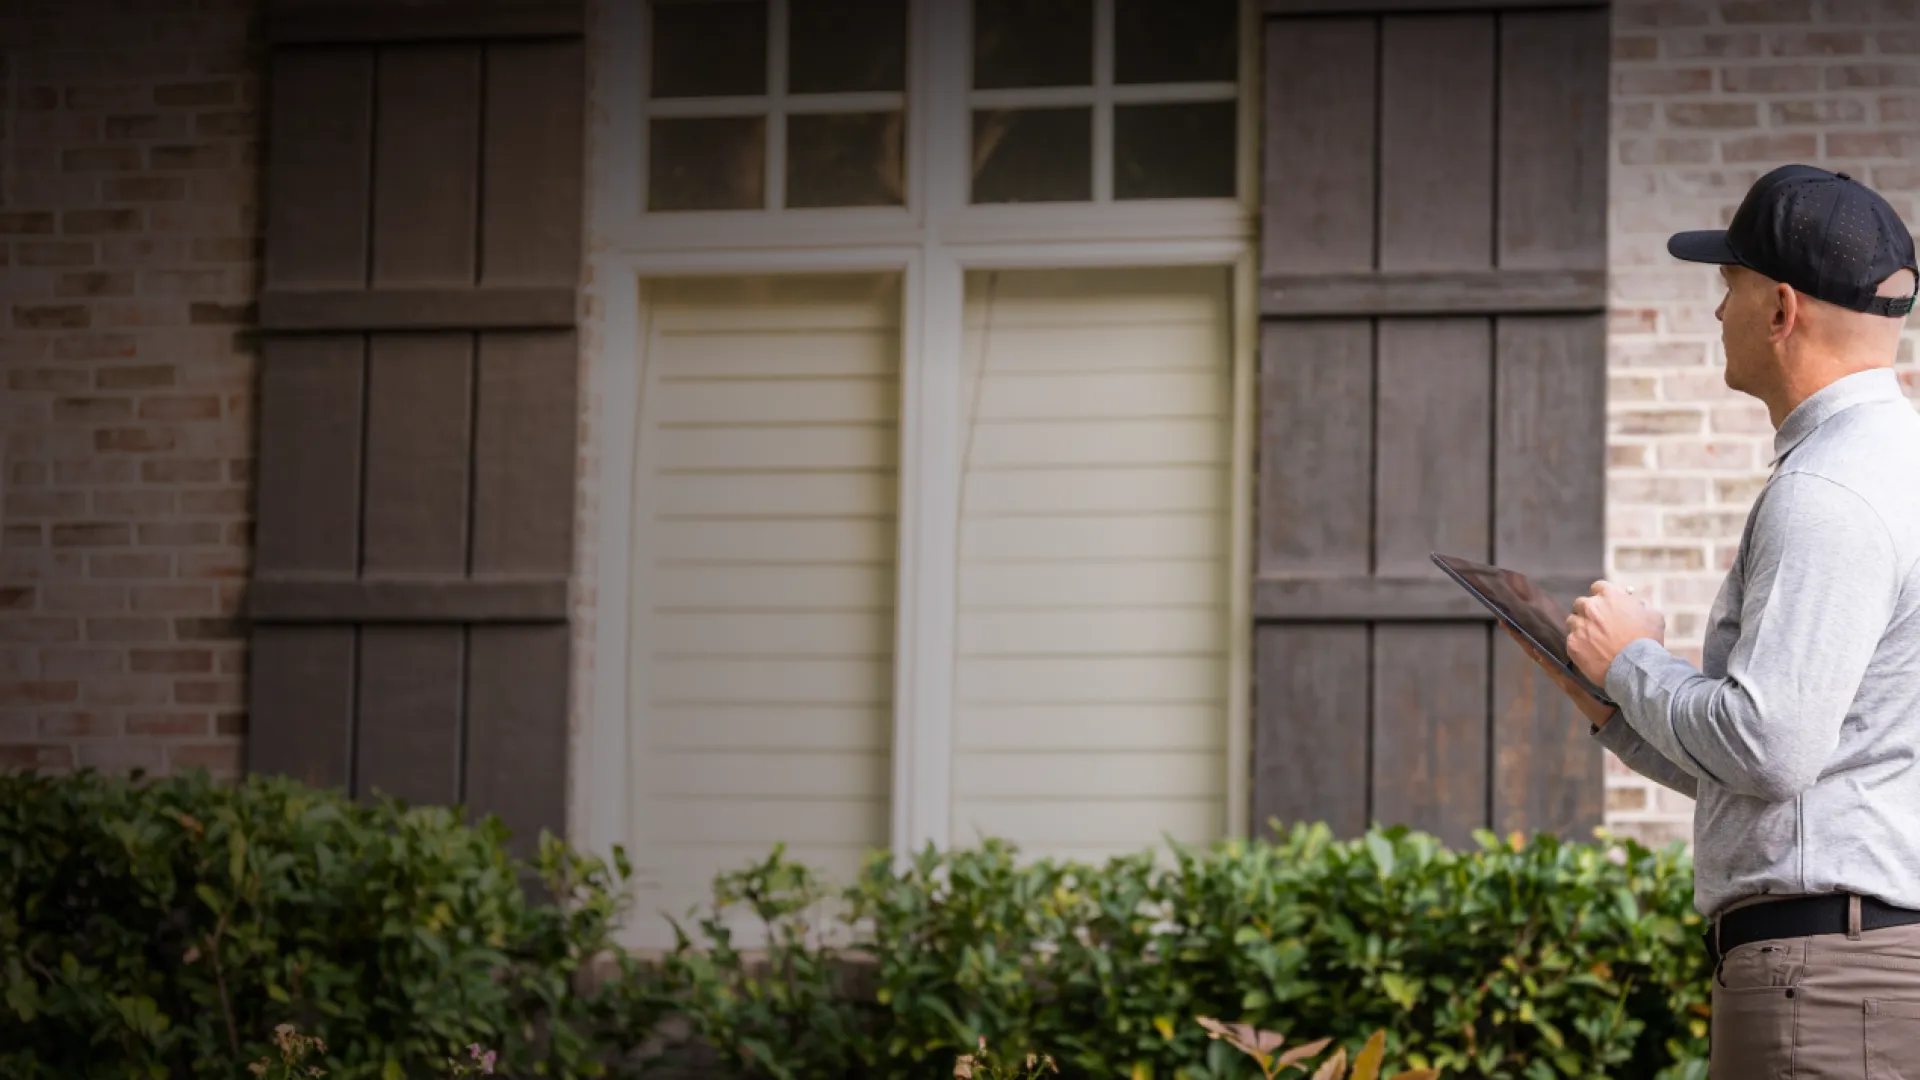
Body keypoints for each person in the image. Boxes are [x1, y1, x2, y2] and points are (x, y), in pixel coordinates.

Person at [1509, 163, 1920, 1078]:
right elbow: (1811, 778)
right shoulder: (1894, 466)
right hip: (1859, 968)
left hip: (1825, 985)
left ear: (1781, 309)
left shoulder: (1827, 492)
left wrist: (1636, 662)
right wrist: (1611, 702)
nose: (1715, 313)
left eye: (1725, 287)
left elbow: (1770, 747)